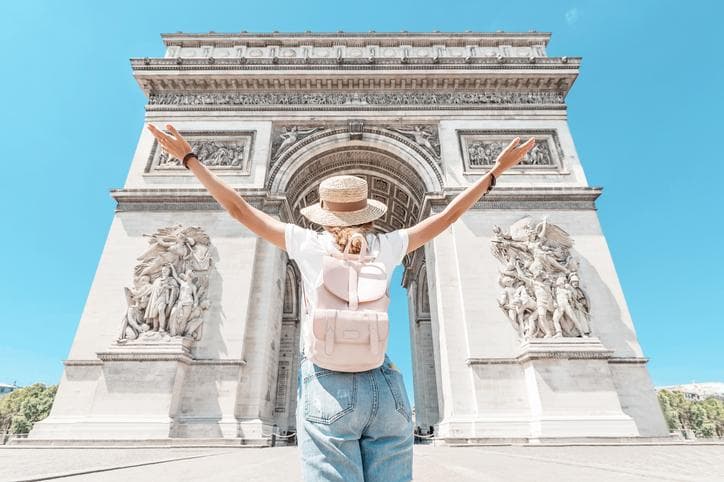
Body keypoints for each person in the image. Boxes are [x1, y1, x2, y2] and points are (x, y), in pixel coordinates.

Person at [147, 123, 535, 481]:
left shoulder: (306, 242)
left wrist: (190, 159)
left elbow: (238, 209)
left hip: (327, 386)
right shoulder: (388, 244)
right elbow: (448, 217)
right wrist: (494, 172)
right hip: (386, 388)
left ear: (323, 214)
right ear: (368, 215)